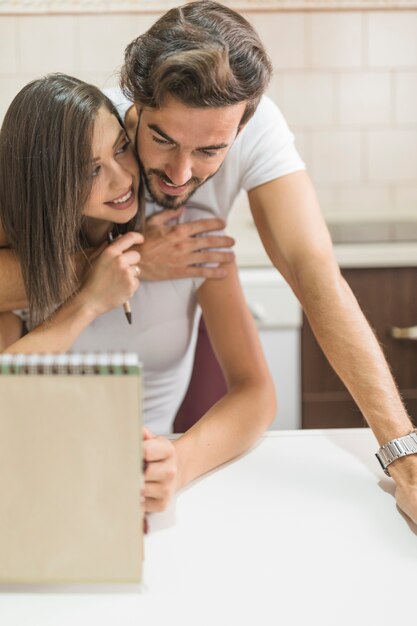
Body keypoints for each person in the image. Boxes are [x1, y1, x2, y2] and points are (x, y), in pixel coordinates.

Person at [0, 2, 416, 524]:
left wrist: (405, 458)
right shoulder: (81, 134)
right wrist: (106, 276)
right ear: (134, 104)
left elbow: (314, 275)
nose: (177, 174)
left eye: (210, 152)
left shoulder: (195, 228)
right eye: (159, 140)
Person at [0, 73, 276, 514]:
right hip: (44, 477)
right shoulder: (22, 256)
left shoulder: (187, 235)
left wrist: (179, 464)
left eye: (120, 149)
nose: (122, 178)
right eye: (90, 170)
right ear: (47, 183)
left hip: (146, 475)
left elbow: (257, 393)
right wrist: (89, 300)